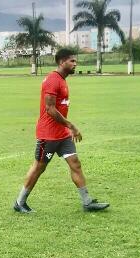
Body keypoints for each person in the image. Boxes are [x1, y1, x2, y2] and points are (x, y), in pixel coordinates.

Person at [14, 48, 109, 213]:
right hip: (48, 135)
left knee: (75, 164)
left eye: (75, 61)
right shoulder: (53, 80)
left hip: (62, 134)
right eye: (72, 61)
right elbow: (50, 109)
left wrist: (66, 128)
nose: (75, 63)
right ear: (61, 62)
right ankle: (19, 202)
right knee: (39, 167)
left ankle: (87, 202)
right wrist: (71, 125)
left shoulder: (62, 80)